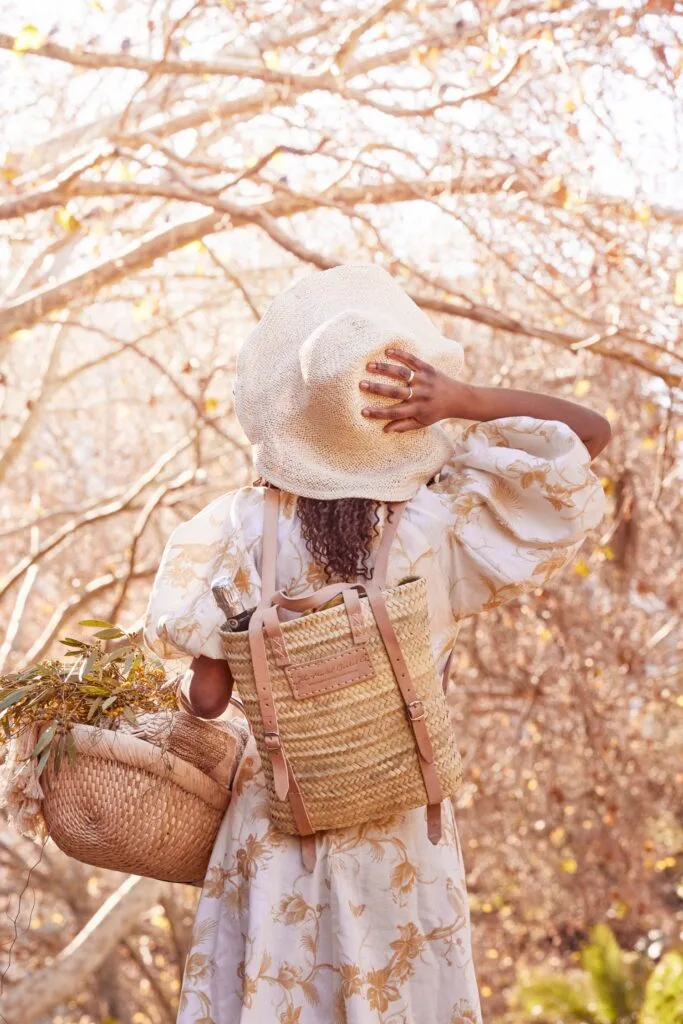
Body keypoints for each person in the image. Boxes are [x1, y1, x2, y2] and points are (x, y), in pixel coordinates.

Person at [143, 265, 610, 1024]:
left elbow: (206, 699)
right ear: (400, 417)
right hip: (403, 823)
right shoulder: (444, 521)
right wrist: (460, 399)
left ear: (294, 417)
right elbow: (588, 437)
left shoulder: (236, 528)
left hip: (277, 820)